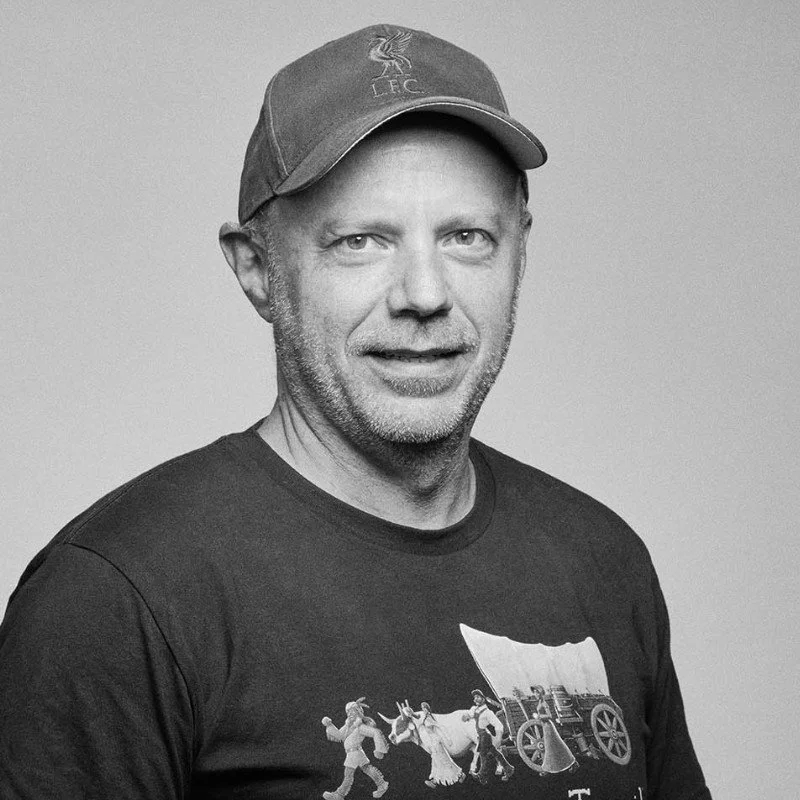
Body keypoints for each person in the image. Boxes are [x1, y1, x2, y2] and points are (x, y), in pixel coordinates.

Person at [0, 23, 711, 800]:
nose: (425, 295)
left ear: (519, 251)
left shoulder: (602, 561)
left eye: (467, 237)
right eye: (361, 242)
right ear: (257, 270)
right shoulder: (119, 600)